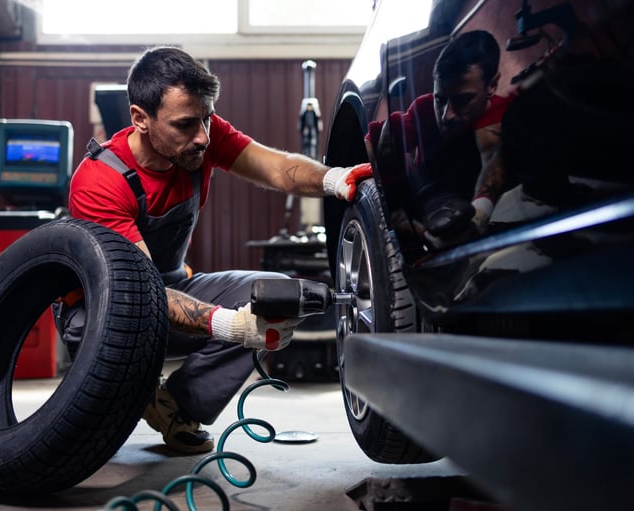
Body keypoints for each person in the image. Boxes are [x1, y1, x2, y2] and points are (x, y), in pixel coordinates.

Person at [58, 46, 371, 454]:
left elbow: (276, 168)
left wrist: (334, 179)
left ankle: (176, 405)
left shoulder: (201, 138)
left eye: (207, 118)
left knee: (275, 297)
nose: (204, 136)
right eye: (187, 123)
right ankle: (130, 391)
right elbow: (141, 292)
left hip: (173, 286)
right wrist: (231, 326)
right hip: (106, 310)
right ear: (140, 118)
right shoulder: (101, 181)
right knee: (107, 371)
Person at [367, 30, 513, 245]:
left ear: (491, 85)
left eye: (463, 100)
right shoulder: (423, 111)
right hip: (427, 208)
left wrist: (478, 219)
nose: (447, 115)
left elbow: (493, 160)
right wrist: (393, 213)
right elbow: (365, 147)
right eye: (440, 100)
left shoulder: (502, 115)